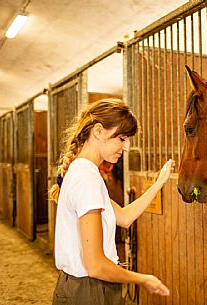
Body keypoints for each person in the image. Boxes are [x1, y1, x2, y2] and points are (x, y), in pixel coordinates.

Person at [49, 99, 173, 304]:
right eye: (122, 138)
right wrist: (142, 279)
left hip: (92, 285)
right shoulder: (86, 179)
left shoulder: (86, 172)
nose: (126, 147)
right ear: (98, 131)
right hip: (89, 289)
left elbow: (124, 217)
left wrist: (159, 182)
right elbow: (95, 265)